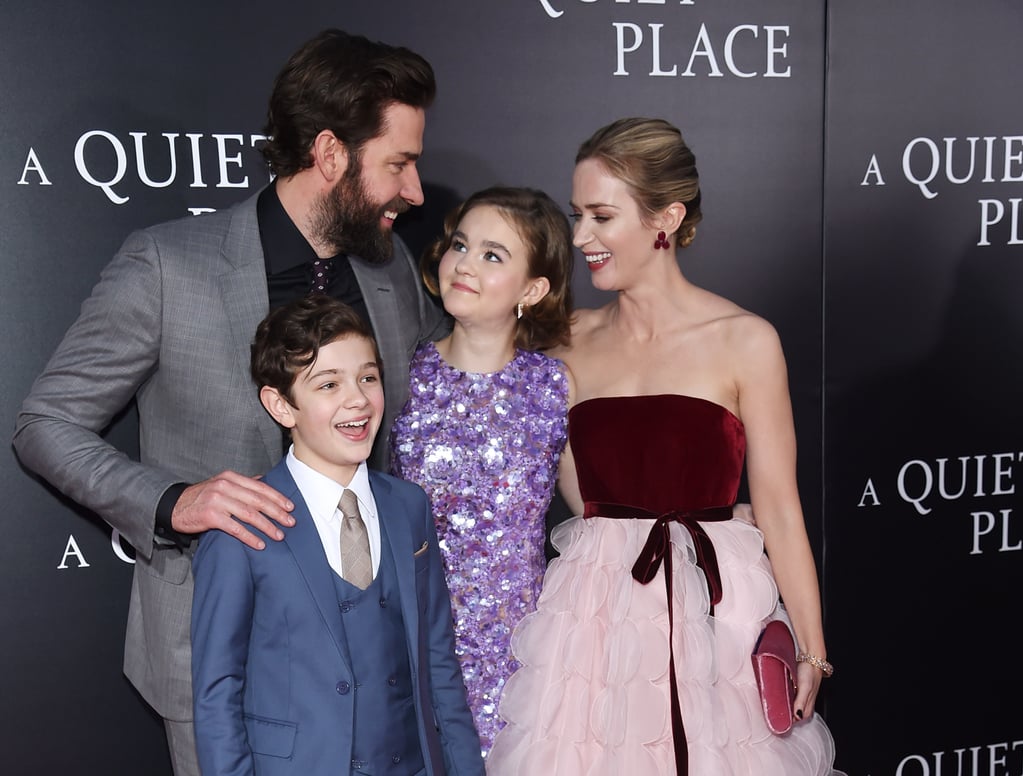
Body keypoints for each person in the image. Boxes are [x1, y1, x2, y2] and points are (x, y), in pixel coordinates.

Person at [12, 29, 446, 776]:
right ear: (331, 154)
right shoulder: (166, 265)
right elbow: (45, 423)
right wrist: (173, 501)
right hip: (225, 656)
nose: (414, 192)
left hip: (376, 651)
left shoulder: (389, 271)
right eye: (398, 164)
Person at [488, 118, 844, 774]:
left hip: (718, 613)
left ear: (667, 218)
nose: (580, 237)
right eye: (576, 215)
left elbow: (780, 508)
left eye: (600, 216)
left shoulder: (745, 340)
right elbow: (575, 492)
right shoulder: (563, 339)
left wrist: (812, 649)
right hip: (598, 623)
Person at [191, 296, 483, 776]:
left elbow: (439, 664)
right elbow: (217, 695)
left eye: (367, 377)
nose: (358, 399)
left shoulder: (409, 506)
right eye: (328, 384)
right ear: (281, 405)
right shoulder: (240, 523)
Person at [390, 186, 574, 757]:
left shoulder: (554, 387)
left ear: (533, 289)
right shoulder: (398, 375)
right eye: (460, 246)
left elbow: (596, 518)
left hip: (521, 663)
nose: (464, 264)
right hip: (409, 647)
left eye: (493, 255)